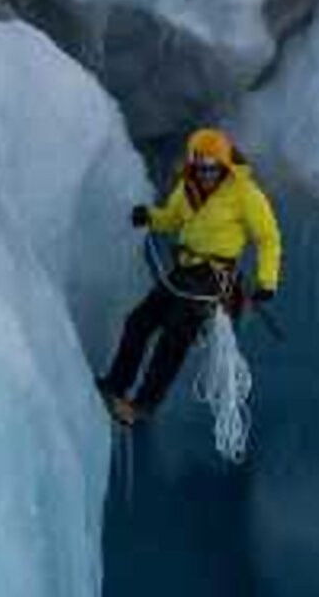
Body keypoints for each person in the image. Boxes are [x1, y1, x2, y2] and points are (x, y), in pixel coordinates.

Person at [96, 128, 282, 425]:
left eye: (212, 167)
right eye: (201, 167)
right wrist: (151, 217)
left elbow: (268, 238)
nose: (207, 173)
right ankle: (115, 384)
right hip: (183, 272)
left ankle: (143, 406)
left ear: (224, 165)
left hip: (214, 278)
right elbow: (172, 219)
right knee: (138, 321)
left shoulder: (244, 194)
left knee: (174, 337)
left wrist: (267, 282)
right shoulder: (187, 188)